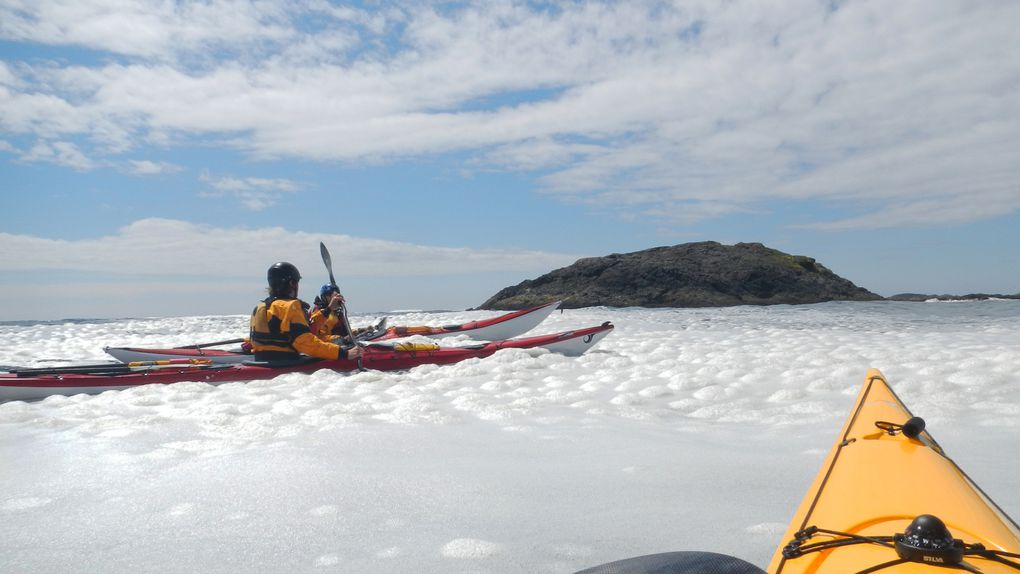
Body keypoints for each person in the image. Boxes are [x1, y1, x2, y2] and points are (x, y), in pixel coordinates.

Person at [249, 262, 363, 362]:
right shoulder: (290, 306)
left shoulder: (261, 307)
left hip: (261, 361)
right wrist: (344, 354)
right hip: (286, 363)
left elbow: (309, 326)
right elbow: (306, 343)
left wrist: (328, 309)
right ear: (292, 283)